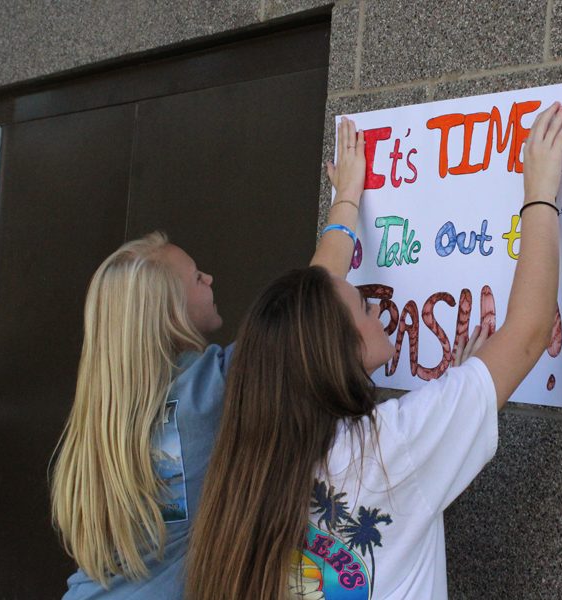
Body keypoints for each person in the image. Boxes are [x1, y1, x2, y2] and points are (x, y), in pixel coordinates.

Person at [186, 102, 562, 599]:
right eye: (364, 306)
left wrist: (346, 200)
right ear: (335, 351)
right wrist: (540, 194)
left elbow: (304, 311)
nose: (379, 307)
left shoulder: (246, 467)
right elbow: (529, 333)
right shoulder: (392, 446)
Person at [50, 117, 369, 598]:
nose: (211, 280)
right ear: (169, 312)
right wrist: (347, 196)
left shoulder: (99, 415)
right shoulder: (210, 389)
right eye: (197, 277)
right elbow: (314, 304)